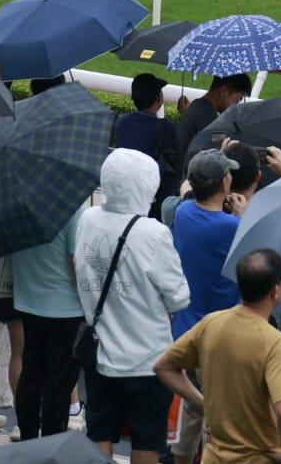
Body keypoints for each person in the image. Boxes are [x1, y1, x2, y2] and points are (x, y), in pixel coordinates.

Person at [75, 148, 191, 464]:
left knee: (100, 433)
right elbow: (179, 297)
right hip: (147, 358)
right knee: (146, 440)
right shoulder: (153, 232)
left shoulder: (88, 219)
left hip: (98, 352)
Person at [159, 248, 281, 464]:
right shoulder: (275, 343)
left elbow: (164, 367)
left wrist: (204, 403)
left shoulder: (211, 323)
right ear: (275, 291)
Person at [172, 148, 244, 464]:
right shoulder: (232, 227)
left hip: (185, 331)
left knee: (192, 407)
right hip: (220, 338)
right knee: (216, 414)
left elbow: (186, 192)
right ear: (224, 183)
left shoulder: (182, 214)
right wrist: (242, 215)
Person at [12, 181, 83, 438]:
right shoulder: (71, 205)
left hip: (28, 301)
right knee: (59, 385)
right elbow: (75, 260)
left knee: (31, 376)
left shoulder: (19, 204)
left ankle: (28, 437)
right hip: (66, 308)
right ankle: (52, 441)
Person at [115, 74, 182, 207]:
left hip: (125, 191)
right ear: (159, 99)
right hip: (152, 197)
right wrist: (184, 115)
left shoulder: (121, 122)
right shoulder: (166, 127)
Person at [175, 74, 252, 157]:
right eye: (237, 100)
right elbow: (214, 156)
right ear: (224, 91)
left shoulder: (197, 105)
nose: (236, 106)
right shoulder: (207, 117)